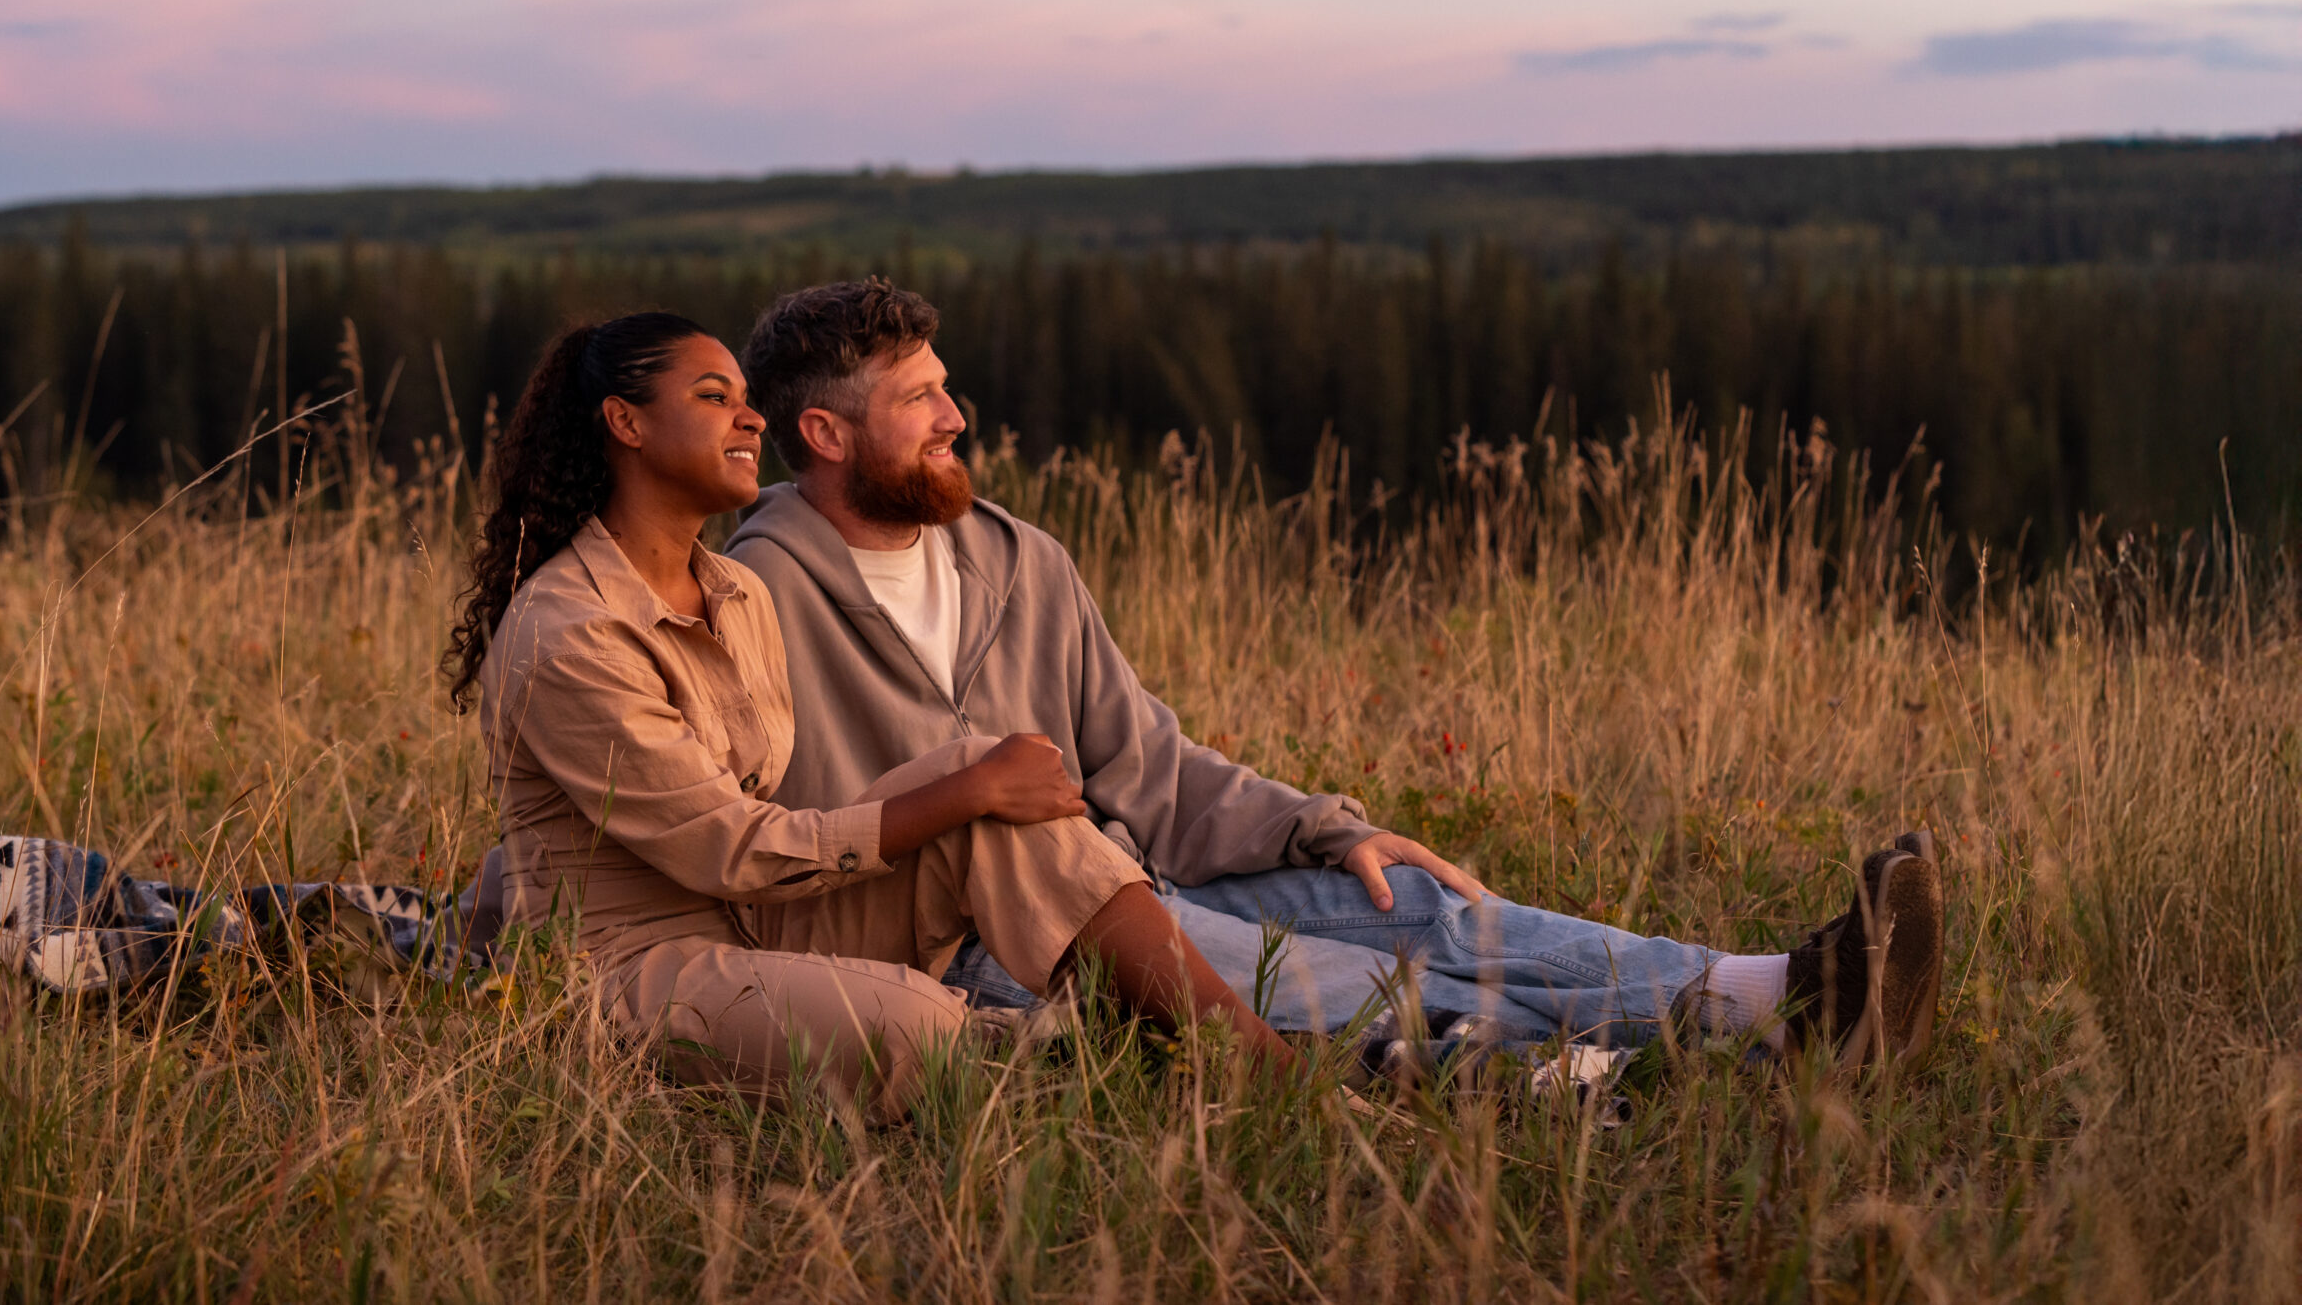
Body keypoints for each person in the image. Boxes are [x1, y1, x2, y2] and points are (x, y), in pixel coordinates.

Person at [724, 278, 1947, 1069]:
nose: (958, 412)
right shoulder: (755, 594)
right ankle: (1716, 1057)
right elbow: (722, 829)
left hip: (1130, 878)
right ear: (823, 435)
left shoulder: (1013, 557)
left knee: (1407, 906)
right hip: (991, 944)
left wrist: (1322, 830)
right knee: (1340, 978)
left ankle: (1782, 985)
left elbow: (1144, 763)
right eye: (919, 397)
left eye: (947, 383)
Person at [444, 312, 1306, 1121]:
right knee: (918, 1028)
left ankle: (1254, 1063)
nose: (749, 420)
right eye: (714, 398)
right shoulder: (569, 632)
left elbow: (775, 800)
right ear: (624, 424)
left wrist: (975, 787)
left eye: (747, 399)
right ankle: (1111, 1075)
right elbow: (730, 846)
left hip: (761, 924)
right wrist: (964, 789)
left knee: (997, 802)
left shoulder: (735, 591)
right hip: (639, 970)